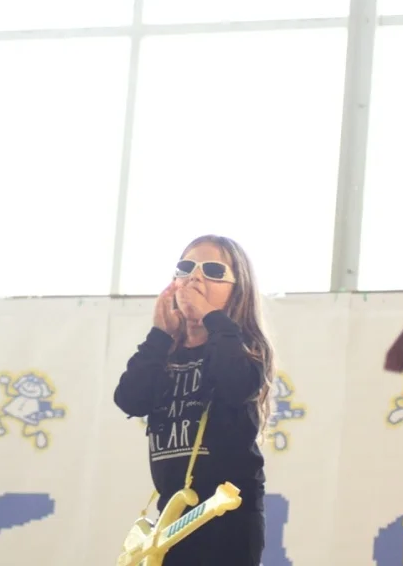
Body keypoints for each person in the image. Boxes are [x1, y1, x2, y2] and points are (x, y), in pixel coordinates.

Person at [113, 235, 275, 566]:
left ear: (238, 290)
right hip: (173, 520)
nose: (195, 278)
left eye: (213, 271)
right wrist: (160, 334)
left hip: (227, 519)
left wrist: (212, 319)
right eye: (186, 268)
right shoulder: (165, 351)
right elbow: (130, 399)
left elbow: (234, 382)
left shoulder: (245, 348)